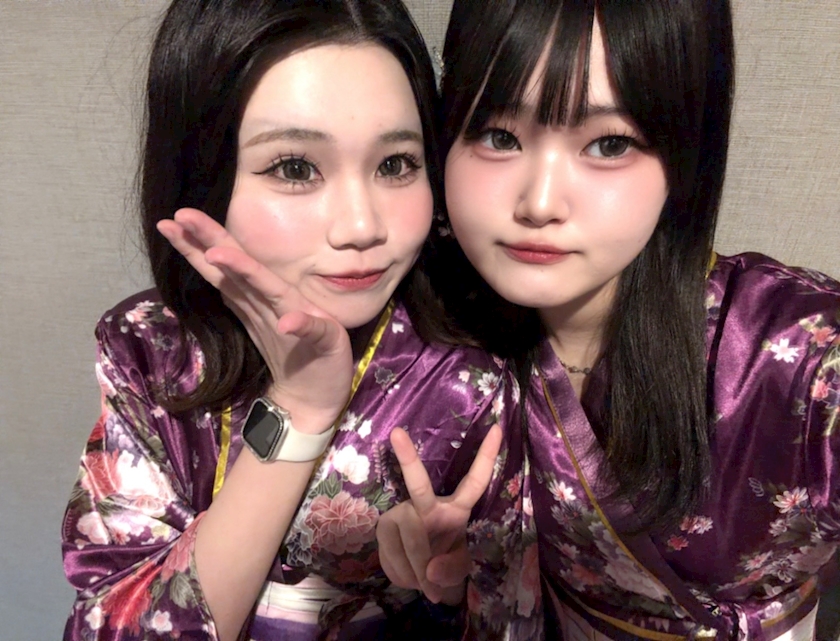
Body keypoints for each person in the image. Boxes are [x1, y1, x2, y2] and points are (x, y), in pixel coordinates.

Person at [376, 0, 840, 639]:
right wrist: (453, 575)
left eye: (608, 144)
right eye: (499, 136)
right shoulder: (433, 336)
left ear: (686, 153)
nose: (540, 203)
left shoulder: (792, 357)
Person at [60, 1, 507, 639]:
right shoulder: (149, 345)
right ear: (204, 175)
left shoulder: (471, 368)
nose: (362, 227)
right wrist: (299, 409)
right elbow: (112, 624)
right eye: (295, 168)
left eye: (395, 164)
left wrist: (453, 588)